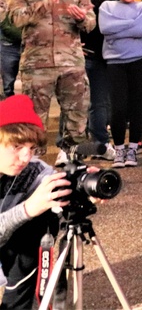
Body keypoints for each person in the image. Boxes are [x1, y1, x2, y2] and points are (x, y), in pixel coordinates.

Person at [4, 0, 95, 162]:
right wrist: (47, 3)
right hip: (37, 66)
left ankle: (75, 167)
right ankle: (32, 169)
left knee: (77, 118)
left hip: (71, 64)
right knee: (34, 122)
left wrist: (83, 19)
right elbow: (14, 19)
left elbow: (92, 22)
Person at [0, 95, 73, 309]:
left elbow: (53, 181)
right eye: (17, 146)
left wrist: (81, 185)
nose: (25, 157)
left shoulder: (32, 168)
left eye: (32, 148)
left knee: (40, 222)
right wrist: (27, 209)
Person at [99, 0, 142, 168]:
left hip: (140, 61)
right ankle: (119, 149)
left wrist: (119, 27)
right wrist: (130, 24)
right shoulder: (107, 7)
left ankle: (133, 149)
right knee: (118, 107)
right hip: (115, 62)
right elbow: (105, 28)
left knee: (137, 105)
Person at [71, 0, 118, 161]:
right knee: (73, 101)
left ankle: (101, 144)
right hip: (77, 51)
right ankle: (70, 147)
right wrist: (70, 42)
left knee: (99, 101)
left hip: (104, 51)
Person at [1, 0, 37, 98]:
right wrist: (22, 35)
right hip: (9, 44)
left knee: (31, 87)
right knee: (8, 87)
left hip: (32, 46)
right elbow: (2, 19)